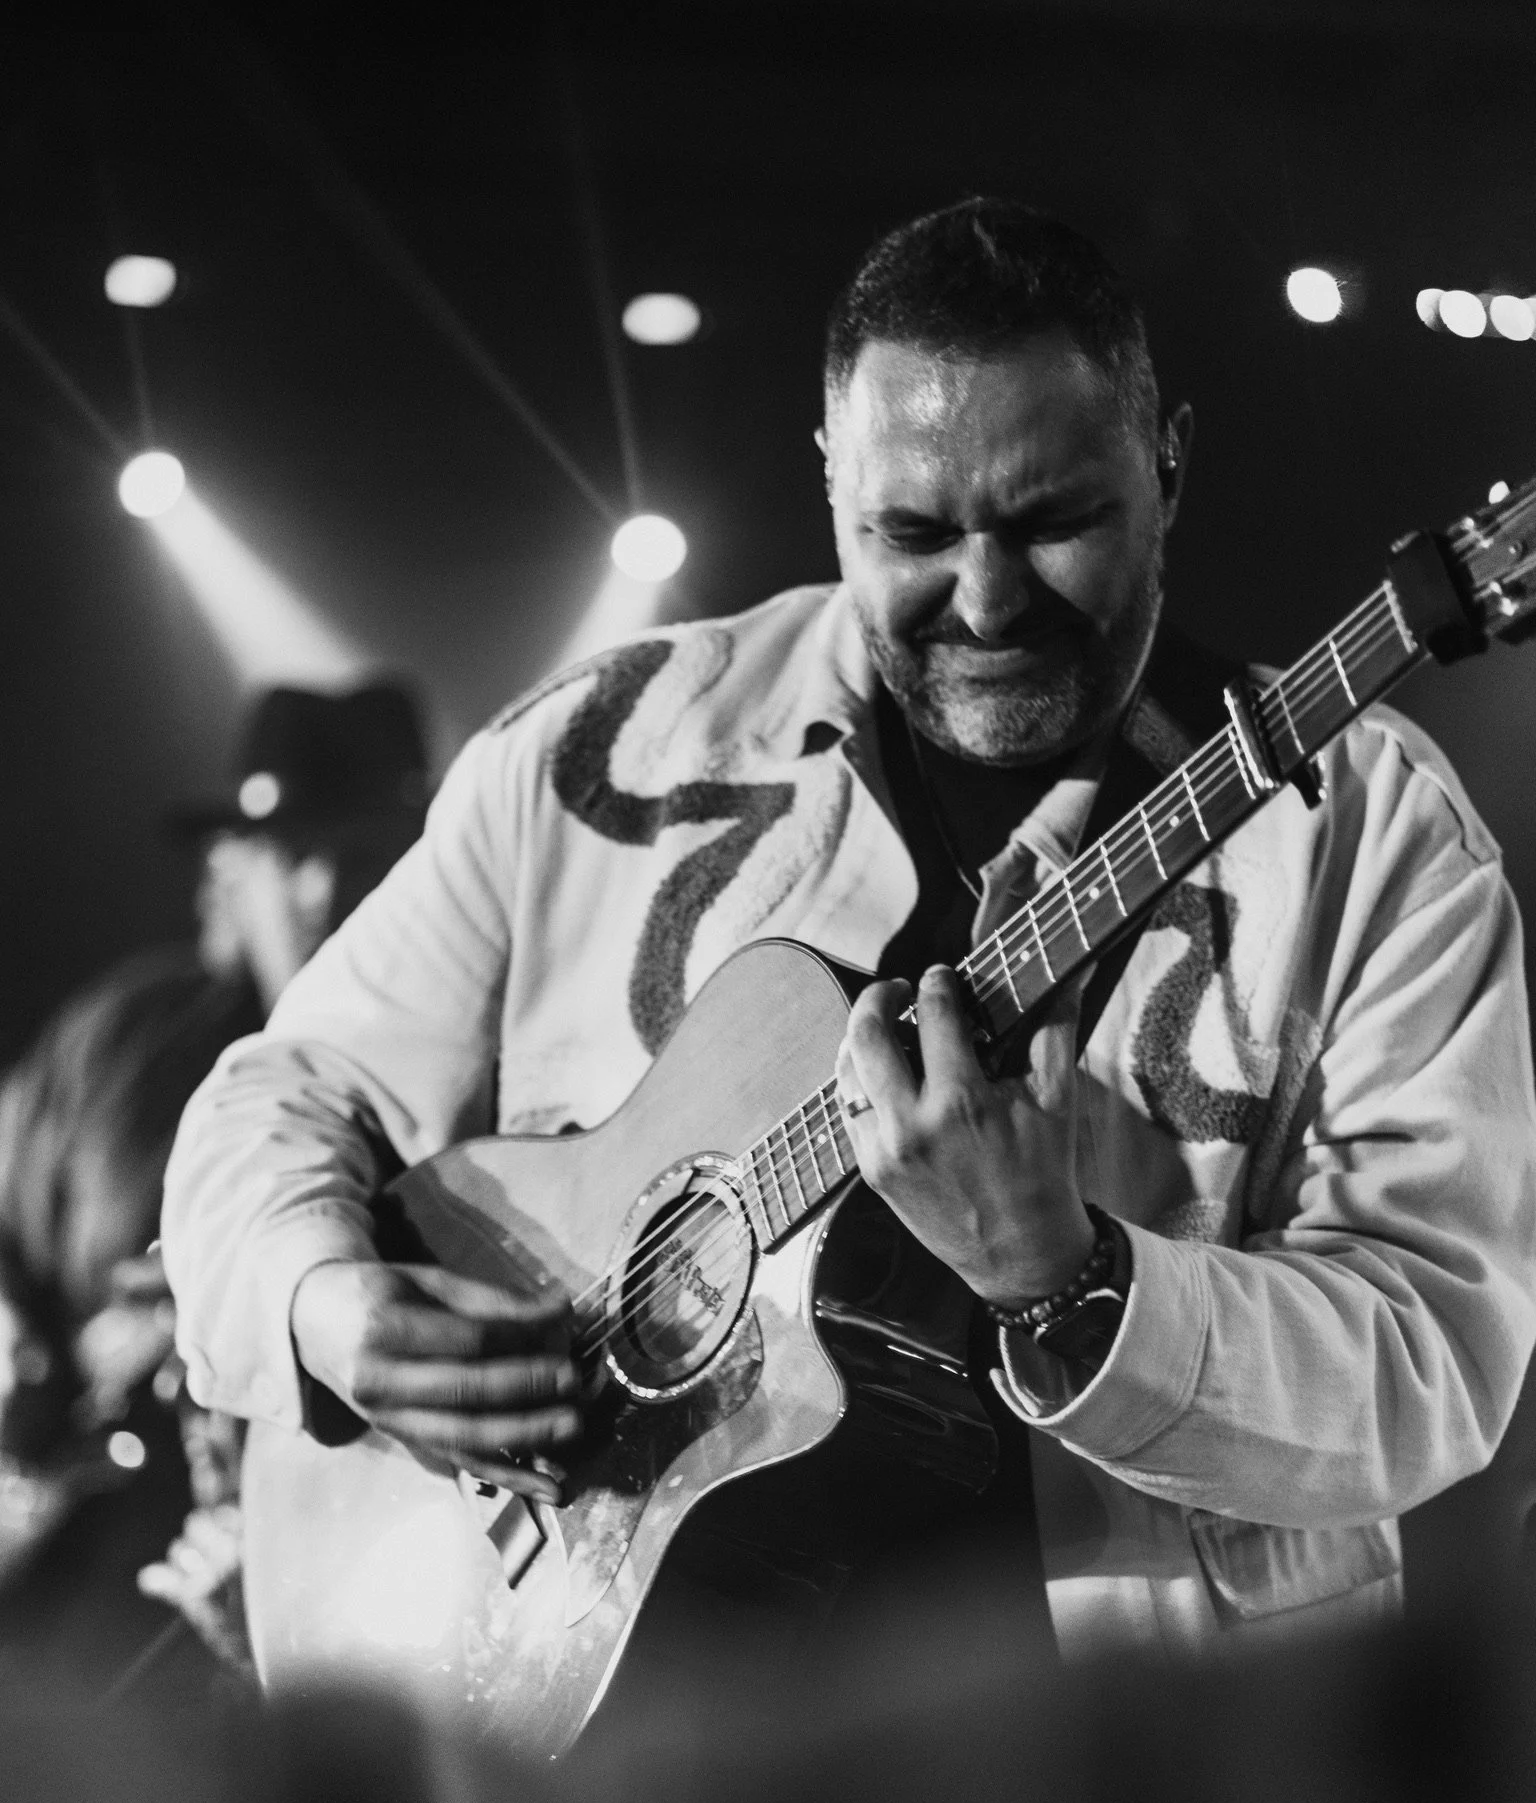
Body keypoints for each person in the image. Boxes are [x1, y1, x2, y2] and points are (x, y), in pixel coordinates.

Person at [162, 199, 1536, 1678]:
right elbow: (276, 1094)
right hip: (648, 1789)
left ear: (1170, 464)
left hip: (1134, 1801)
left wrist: (1066, 1279)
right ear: (830, 482)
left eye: (1054, 520)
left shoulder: (1370, 829)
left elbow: (1428, 1363)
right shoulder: (600, 748)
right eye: (914, 532)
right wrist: (322, 1300)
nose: (988, 596)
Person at [0, 681, 428, 1695]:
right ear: (229, 876)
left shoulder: (464, 1087)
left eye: (358, 850)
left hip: (237, 1628)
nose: (325, 891)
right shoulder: (125, 1035)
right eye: (290, 855)